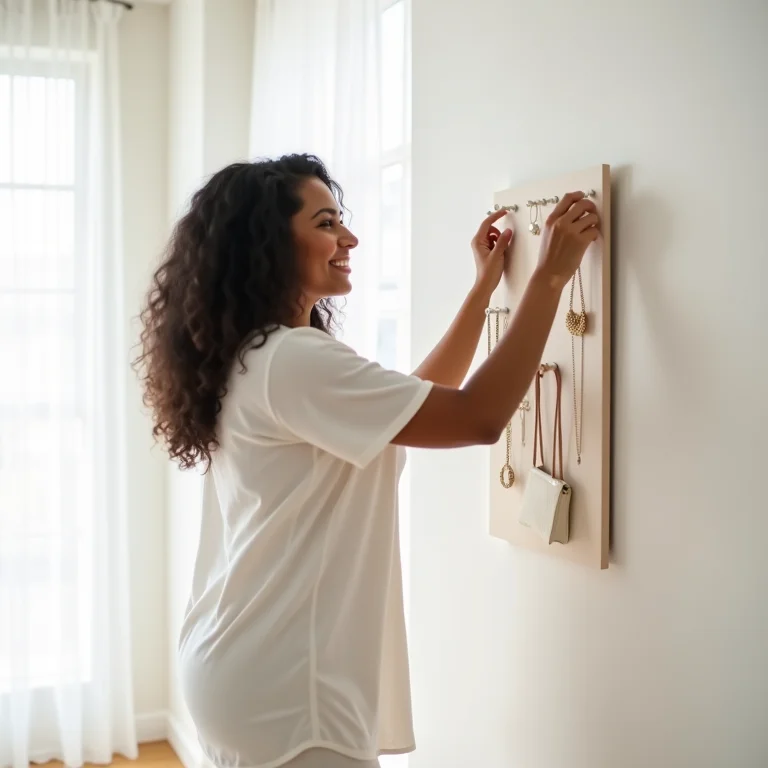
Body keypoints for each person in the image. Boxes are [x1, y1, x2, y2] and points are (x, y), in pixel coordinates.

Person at [134, 154, 599, 768]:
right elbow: (478, 417)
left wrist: (483, 292)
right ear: (268, 244)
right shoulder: (292, 360)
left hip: (243, 662)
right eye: (326, 223)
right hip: (286, 687)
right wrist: (549, 280)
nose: (349, 238)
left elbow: (412, 408)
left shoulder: (256, 355)